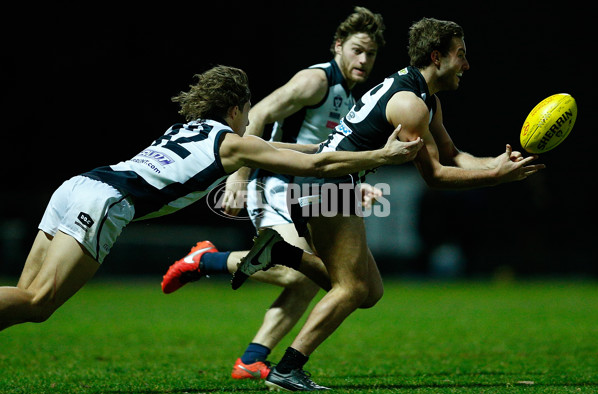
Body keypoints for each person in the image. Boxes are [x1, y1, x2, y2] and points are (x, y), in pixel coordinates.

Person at [234, 18, 546, 391]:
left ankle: (282, 254)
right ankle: (287, 368)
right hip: (328, 182)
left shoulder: (425, 100)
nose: (466, 65)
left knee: (370, 292)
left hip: (329, 179)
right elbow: (434, 176)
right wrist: (495, 179)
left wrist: (497, 163)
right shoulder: (409, 105)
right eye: (460, 55)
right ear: (437, 57)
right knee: (351, 288)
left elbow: (452, 154)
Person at [0, 65, 423, 333]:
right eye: (248, 110)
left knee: (23, 295)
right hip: (105, 202)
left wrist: (343, 151)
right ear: (238, 108)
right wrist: (382, 155)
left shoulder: (188, 130)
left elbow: (298, 152)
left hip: (76, 185)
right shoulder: (231, 142)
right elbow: (313, 167)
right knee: (39, 303)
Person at [160, 6, 386, 381]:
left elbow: (323, 150)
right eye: (357, 50)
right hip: (276, 185)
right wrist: (239, 177)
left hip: (310, 191)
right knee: (298, 273)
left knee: (331, 281)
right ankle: (205, 261)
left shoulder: (348, 96)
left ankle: (251, 360)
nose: (363, 59)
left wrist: (354, 183)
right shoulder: (316, 81)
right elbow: (260, 114)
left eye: (371, 53)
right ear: (338, 46)